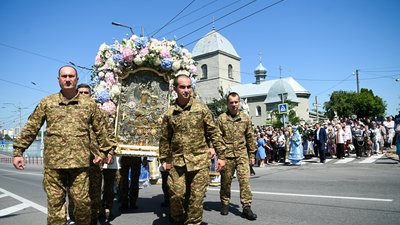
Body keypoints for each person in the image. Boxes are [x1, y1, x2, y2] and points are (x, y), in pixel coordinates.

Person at [12, 65, 113, 225]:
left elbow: (101, 129)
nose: (67, 79)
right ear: (58, 79)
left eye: (71, 76)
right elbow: (32, 127)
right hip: (54, 166)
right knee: (55, 207)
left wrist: (105, 151)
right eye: (64, 76)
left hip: (79, 165)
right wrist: (19, 151)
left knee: (82, 205)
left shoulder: (88, 104)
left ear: (77, 79)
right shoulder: (48, 103)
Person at [159, 74, 226, 225]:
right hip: (177, 162)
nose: (186, 90)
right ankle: (178, 219)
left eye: (189, 87)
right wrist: (164, 159)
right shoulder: (170, 113)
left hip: (199, 160)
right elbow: (164, 139)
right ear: (175, 88)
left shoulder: (201, 108)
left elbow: (214, 132)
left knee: (196, 199)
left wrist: (221, 156)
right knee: (176, 195)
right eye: (182, 87)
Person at [217, 92, 257, 221]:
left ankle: (246, 207)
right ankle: (225, 203)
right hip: (227, 156)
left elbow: (250, 137)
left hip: (241, 155)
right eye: (231, 102)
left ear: (239, 102)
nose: (234, 105)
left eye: (236, 102)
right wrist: (220, 156)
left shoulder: (245, 118)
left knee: (245, 181)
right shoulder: (221, 119)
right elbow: (217, 139)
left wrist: (252, 154)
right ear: (227, 103)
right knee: (225, 182)